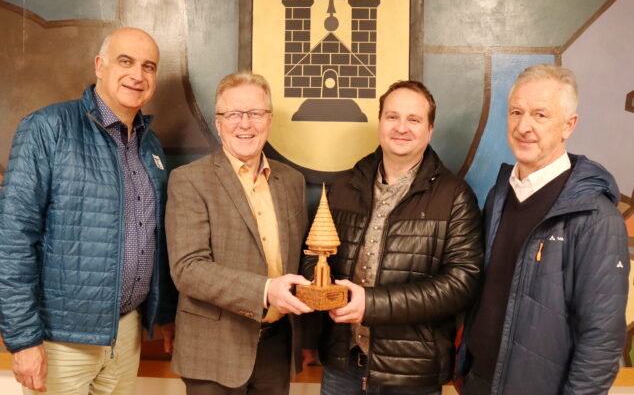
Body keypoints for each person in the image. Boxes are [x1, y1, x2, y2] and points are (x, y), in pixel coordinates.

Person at [0, 27, 177, 395]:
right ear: (99, 65)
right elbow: (12, 240)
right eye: (125, 61)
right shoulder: (48, 128)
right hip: (61, 340)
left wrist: (164, 315)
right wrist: (23, 340)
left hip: (126, 334)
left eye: (148, 66)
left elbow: (155, 237)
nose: (137, 75)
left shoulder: (151, 145)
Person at [456, 63, 630, 395]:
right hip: (479, 382)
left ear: (568, 126)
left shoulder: (597, 218)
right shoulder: (499, 195)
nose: (524, 127)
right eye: (516, 112)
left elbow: (602, 339)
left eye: (540, 115)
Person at [303, 80, 484, 395]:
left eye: (414, 119)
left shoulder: (455, 196)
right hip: (342, 366)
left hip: (411, 375)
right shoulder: (343, 186)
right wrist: (323, 291)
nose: (401, 127)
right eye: (392, 117)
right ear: (380, 122)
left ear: (430, 130)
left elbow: (461, 284)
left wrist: (371, 304)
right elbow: (312, 256)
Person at [166, 71, 312, 395]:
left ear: (269, 120)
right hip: (214, 352)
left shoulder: (292, 181)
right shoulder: (189, 181)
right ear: (218, 123)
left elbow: (301, 259)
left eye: (255, 113)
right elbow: (188, 270)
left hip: (277, 349)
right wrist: (265, 291)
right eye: (233, 114)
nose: (245, 124)